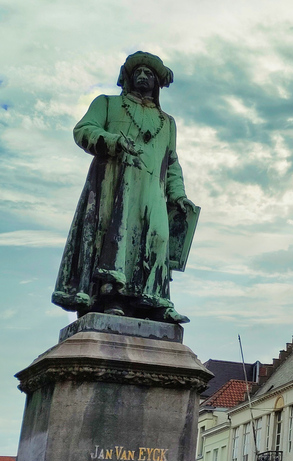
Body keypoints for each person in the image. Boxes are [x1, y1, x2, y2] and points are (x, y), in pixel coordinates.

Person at [52, 51, 194, 324]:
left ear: (156, 82)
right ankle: (111, 297)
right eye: (137, 72)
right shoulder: (106, 104)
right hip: (114, 184)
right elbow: (83, 130)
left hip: (153, 188)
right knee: (115, 240)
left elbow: (172, 161)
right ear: (128, 78)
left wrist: (179, 194)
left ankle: (155, 300)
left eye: (149, 73)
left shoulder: (168, 122)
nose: (143, 76)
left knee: (159, 240)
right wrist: (111, 140)